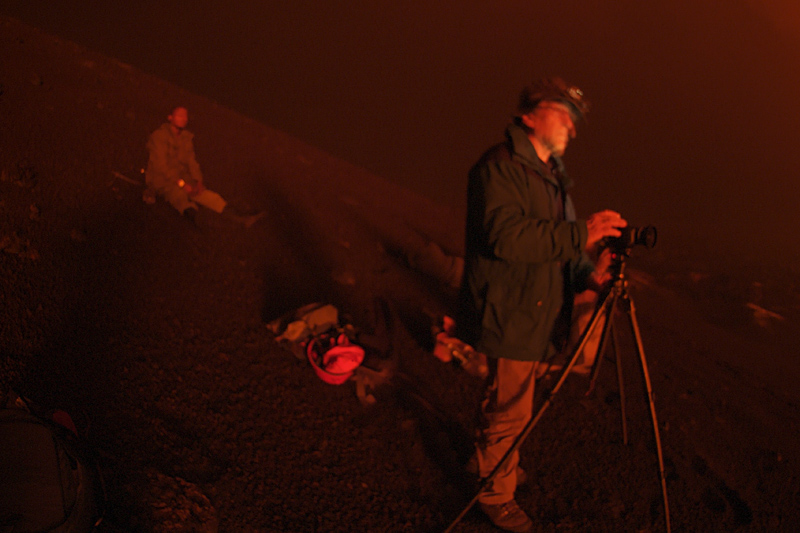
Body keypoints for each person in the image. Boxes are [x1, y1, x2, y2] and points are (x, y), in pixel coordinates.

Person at [456, 77, 627, 533]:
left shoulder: (551, 179)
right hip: (510, 309)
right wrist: (581, 232)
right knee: (511, 407)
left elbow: (565, 251)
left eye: (575, 121)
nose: (572, 126)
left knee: (508, 401)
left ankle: (492, 462)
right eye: (562, 113)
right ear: (529, 116)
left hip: (534, 310)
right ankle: (495, 493)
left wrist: (589, 274)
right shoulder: (501, 167)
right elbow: (505, 236)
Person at [144, 106, 264, 228]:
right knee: (179, 197)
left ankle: (243, 218)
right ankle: (198, 220)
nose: (183, 119)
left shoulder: (186, 139)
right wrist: (182, 184)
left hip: (183, 177)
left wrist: (198, 181)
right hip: (162, 179)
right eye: (179, 115)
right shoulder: (159, 137)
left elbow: (192, 162)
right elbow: (161, 167)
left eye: (185, 116)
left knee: (210, 197)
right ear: (170, 118)